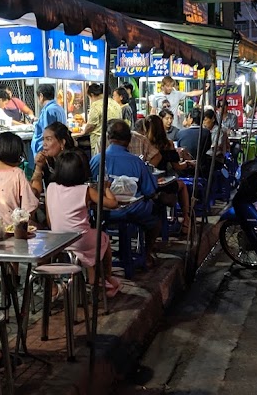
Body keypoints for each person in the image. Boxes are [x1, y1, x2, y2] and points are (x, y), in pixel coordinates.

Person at [46, 150, 123, 297]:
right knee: (103, 238)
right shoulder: (85, 190)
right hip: (79, 240)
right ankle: (105, 277)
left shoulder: (51, 187)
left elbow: (50, 221)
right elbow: (113, 203)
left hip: (58, 241)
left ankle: (91, 274)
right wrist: (105, 186)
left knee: (92, 236)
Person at [89, 121, 163, 261]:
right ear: (129, 140)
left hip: (102, 213)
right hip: (133, 212)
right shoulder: (137, 162)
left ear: (108, 138)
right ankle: (146, 254)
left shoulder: (96, 160)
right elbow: (150, 191)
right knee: (156, 216)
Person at [145, 115, 191, 236]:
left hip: (146, 183)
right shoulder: (167, 144)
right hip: (163, 182)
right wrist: (187, 164)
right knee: (182, 186)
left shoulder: (143, 143)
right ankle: (186, 219)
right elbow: (177, 167)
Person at [31, 121, 76, 197]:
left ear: (62, 142)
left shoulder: (74, 160)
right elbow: (34, 192)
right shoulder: (45, 161)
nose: (44, 144)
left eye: (48, 139)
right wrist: (38, 167)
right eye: (43, 139)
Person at [81, 83, 122, 151]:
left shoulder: (96, 105)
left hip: (99, 141)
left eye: (89, 97)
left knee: (99, 160)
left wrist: (84, 132)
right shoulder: (115, 103)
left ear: (92, 95)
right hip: (114, 139)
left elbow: (91, 126)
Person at [32, 83, 67, 157]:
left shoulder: (48, 110)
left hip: (47, 153)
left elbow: (48, 133)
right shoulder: (59, 108)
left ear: (41, 96)